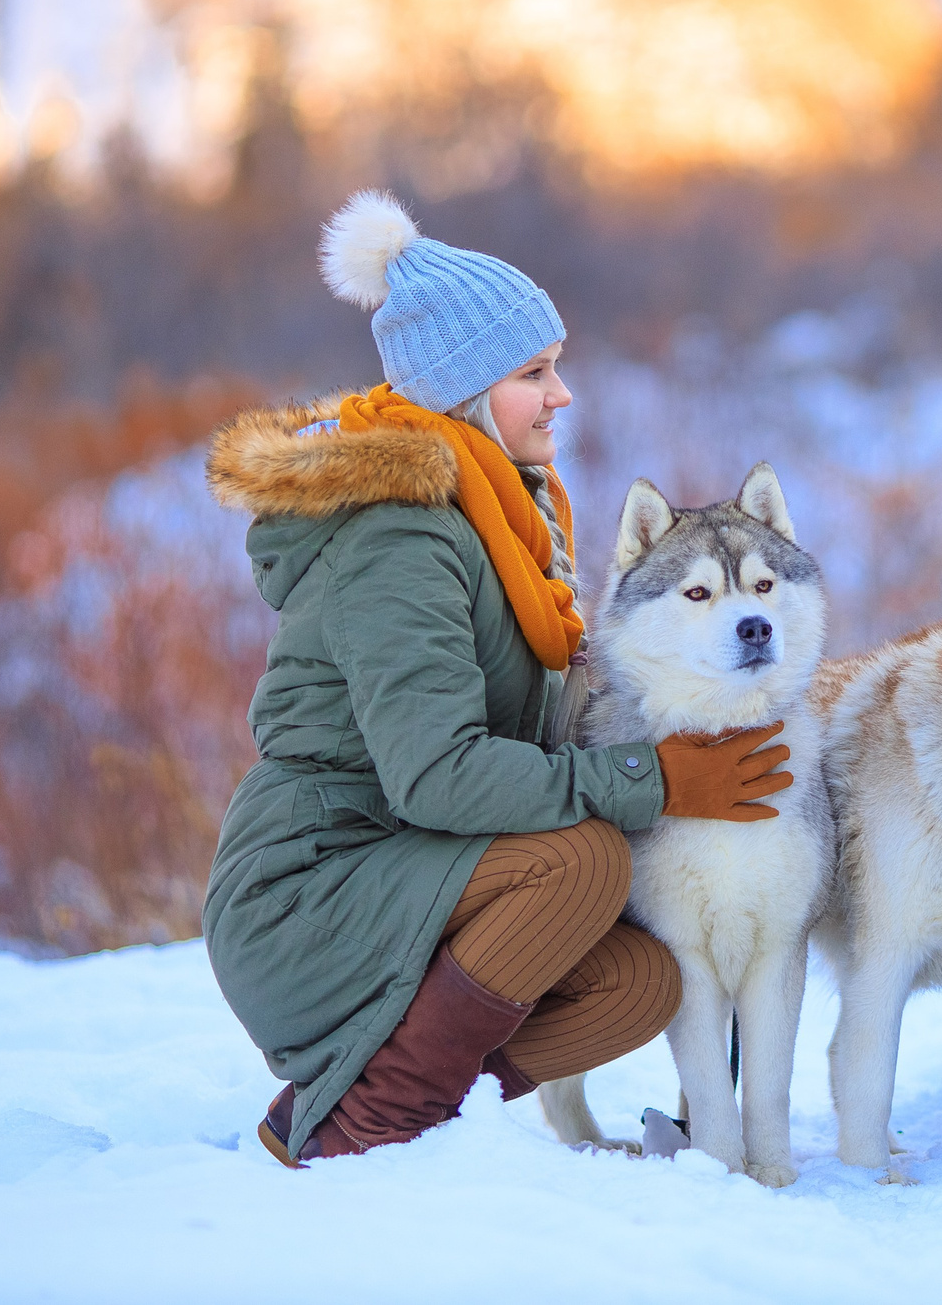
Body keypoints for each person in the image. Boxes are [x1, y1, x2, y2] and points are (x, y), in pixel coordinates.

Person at [201, 191, 793, 1166]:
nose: (562, 395)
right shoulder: (400, 535)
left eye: (556, 367)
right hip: (309, 897)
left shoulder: (508, 514)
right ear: (465, 390)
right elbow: (438, 778)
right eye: (534, 372)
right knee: (583, 860)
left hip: (413, 878)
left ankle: (379, 1102)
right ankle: (368, 1129)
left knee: (640, 983)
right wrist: (653, 782)